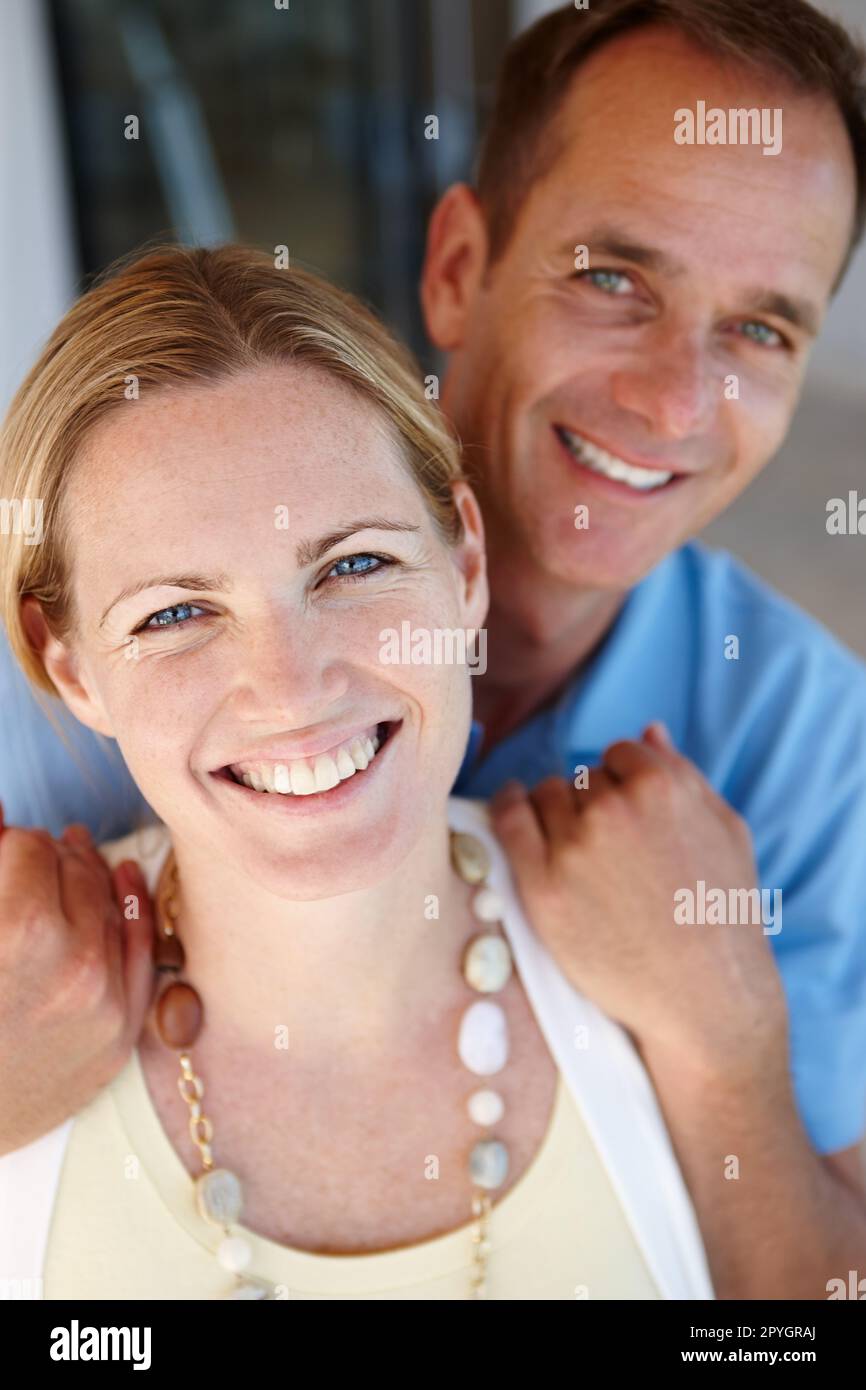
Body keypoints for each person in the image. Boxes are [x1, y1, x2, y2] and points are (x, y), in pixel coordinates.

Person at [1, 0, 865, 1298]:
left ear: (454, 558)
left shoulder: (800, 739)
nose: (674, 399)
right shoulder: (41, 705)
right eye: (612, 277)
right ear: (457, 262)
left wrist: (723, 1042)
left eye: (759, 329)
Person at [0, 243, 725, 1300]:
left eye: (352, 565)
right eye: (173, 613)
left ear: (465, 564)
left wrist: (728, 1044)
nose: (290, 689)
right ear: (71, 667)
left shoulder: (671, 965)